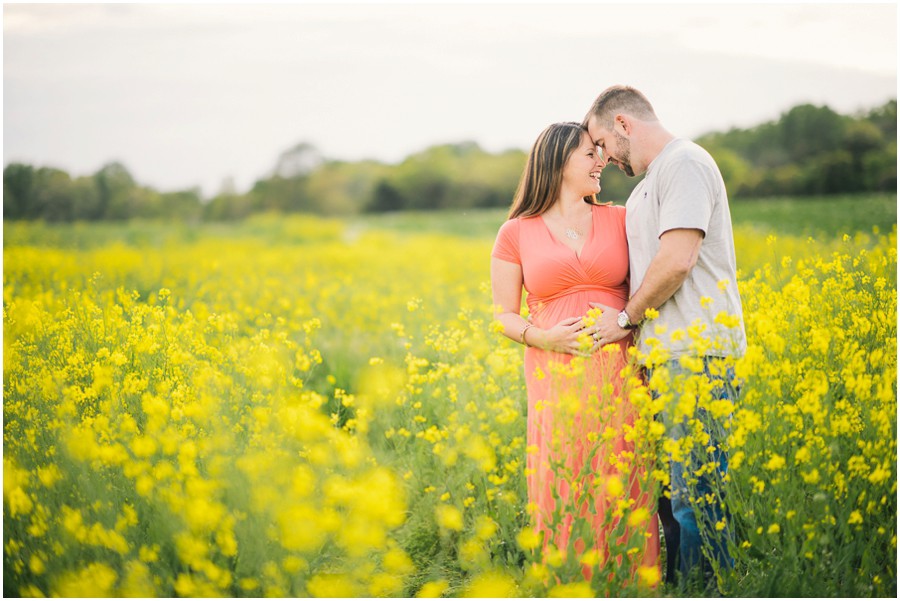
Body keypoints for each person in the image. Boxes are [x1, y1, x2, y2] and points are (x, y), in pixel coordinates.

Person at [582, 85, 747, 589]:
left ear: (623, 125)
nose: (603, 159)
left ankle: (710, 591)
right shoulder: (647, 186)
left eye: (602, 144)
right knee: (671, 504)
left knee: (697, 500)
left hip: (697, 356)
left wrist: (625, 321)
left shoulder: (685, 164)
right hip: (665, 359)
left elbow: (678, 259)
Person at [491, 121, 660, 583]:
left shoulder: (622, 218)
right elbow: (503, 315)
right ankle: (572, 582)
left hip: (620, 366)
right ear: (558, 162)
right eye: (590, 154)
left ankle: (630, 583)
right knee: (566, 471)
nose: (601, 160)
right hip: (554, 371)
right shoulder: (515, 232)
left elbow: (651, 287)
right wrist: (543, 337)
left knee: (623, 468)